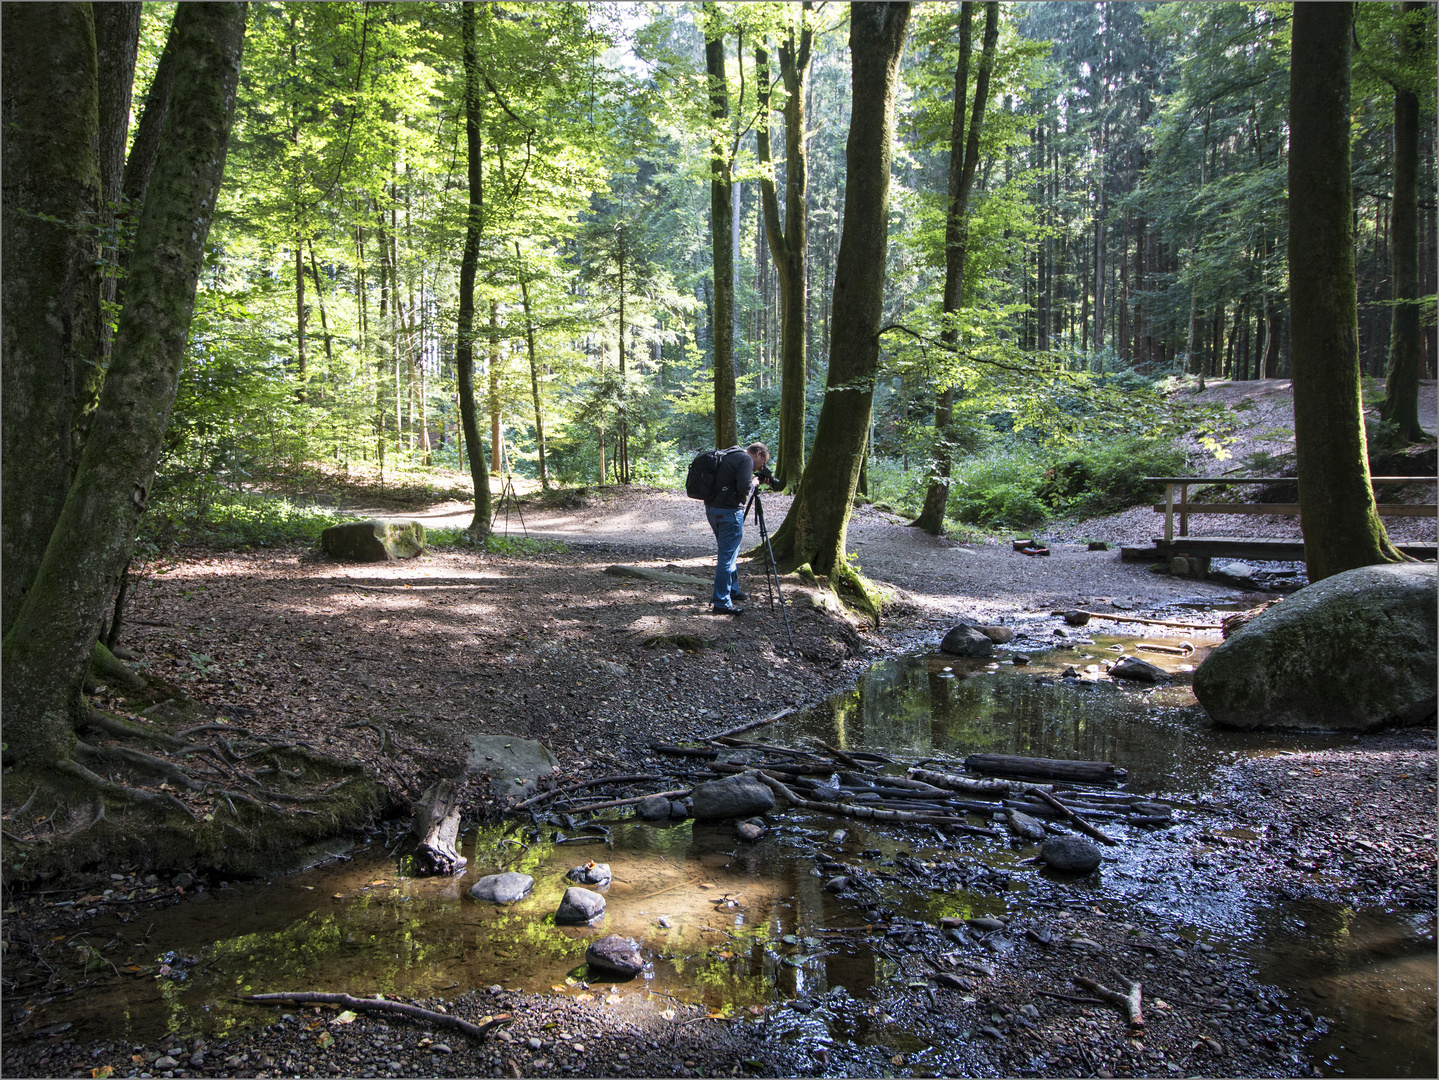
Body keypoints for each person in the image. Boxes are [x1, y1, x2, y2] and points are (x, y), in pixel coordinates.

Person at [704, 442, 777, 614]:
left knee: (729, 552)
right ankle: (721, 602)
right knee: (727, 557)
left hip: (713, 510)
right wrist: (755, 482)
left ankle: (733, 590)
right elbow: (744, 487)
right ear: (758, 453)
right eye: (763, 463)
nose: (761, 467)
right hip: (729, 512)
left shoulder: (729, 454)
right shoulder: (745, 459)